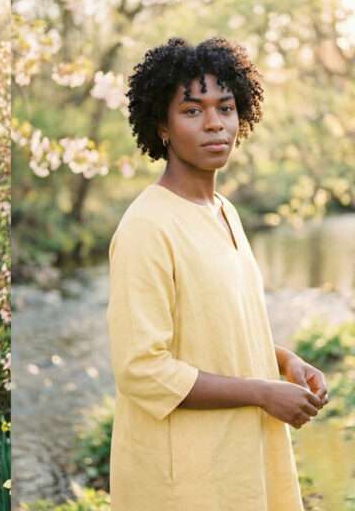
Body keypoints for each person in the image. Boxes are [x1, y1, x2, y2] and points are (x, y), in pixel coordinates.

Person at [106, 37, 330, 510]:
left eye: (225, 107)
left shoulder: (223, 211)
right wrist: (261, 393)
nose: (214, 123)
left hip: (240, 455)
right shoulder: (147, 227)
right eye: (192, 110)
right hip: (184, 478)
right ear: (162, 126)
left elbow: (217, 328)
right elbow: (141, 368)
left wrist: (283, 362)